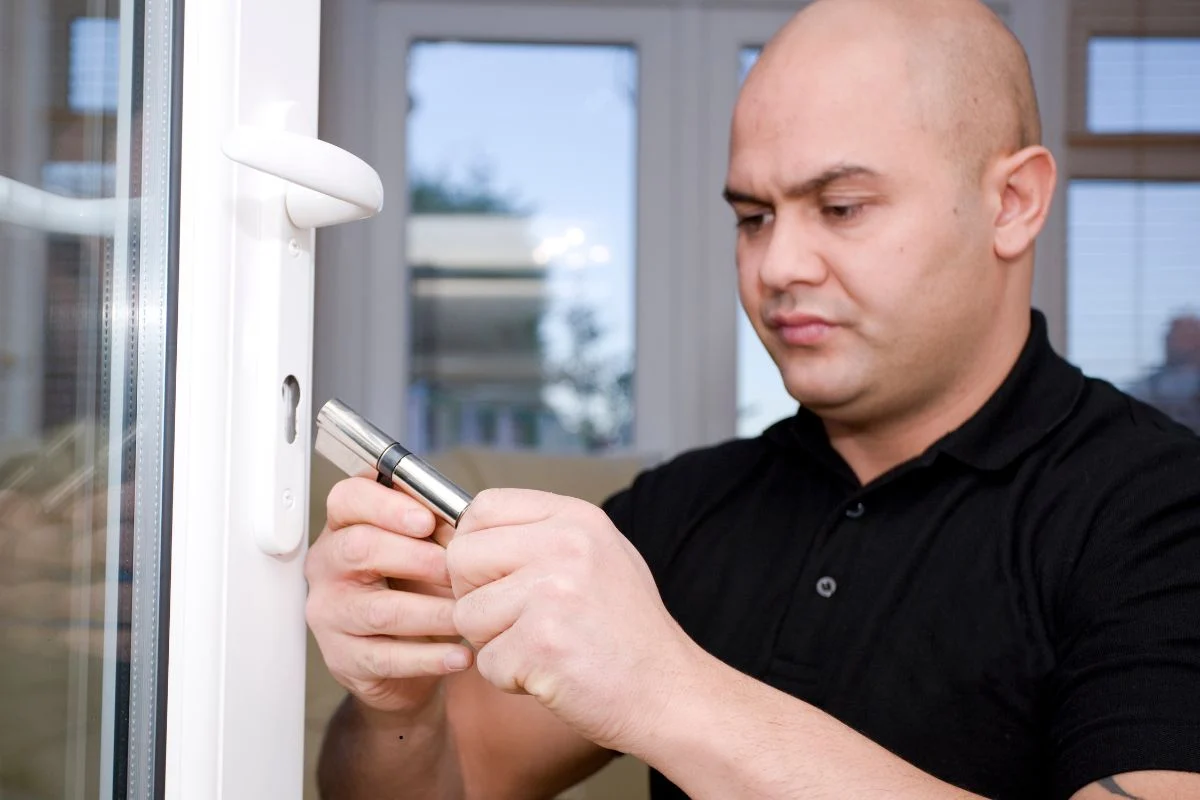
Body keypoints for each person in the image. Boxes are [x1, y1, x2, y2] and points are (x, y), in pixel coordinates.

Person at [304, 0, 1200, 797]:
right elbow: (442, 786)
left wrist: (665, 688)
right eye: (753, 217)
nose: (777, 266)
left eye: (841, 207)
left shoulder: (1161, 507)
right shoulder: (679, 513)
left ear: (1013, 202)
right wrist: (399, 701)